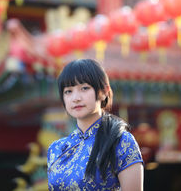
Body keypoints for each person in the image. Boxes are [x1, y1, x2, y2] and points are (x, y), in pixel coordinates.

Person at [47, 59, 143, 190]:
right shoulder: (56, 149)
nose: (76, 98)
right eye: (68, 91)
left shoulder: (121, 142)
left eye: (84, 88)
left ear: (104, 92)